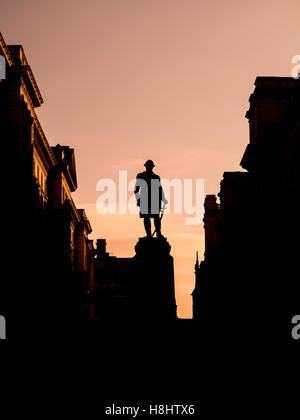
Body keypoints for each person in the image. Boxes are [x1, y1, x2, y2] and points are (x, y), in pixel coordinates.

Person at [134, 160, 168, 238]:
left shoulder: (156, 177)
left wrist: (163, 199)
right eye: (148, 167)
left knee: (156, 218)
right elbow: (136, 189)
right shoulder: (141, 176)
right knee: (146, 218)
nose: (149, 168)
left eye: (150, 167)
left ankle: (158, 233)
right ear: (146, 167)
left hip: (154, 201)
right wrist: (138, 199)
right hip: (145, 200)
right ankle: (149, 234)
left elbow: (159, 189)